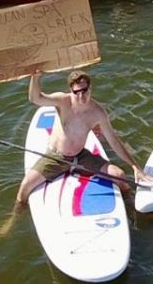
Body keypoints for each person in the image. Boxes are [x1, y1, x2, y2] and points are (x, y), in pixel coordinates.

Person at [13, 71, 143, 211]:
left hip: (81, 156)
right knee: (25, 186)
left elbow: (114, 141)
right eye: (76, 92)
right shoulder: (63, 101)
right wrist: (35, 76)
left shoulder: (98, 112)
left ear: (90, 88)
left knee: (120, 176)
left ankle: (133, 208)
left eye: (84, 90)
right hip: (56, 157)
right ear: (71, 91)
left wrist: (135, 166)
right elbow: (36, 98)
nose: (81, 96)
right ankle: (14, 217)